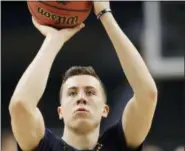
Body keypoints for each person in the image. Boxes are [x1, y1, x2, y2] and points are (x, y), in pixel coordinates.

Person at [9, 1, 158, 151]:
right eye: (72, 93)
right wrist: (53, 40)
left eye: (90, 92)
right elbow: (20, 105)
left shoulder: (118, 144)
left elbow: (147, 94)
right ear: (60, 111)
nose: (81, 98)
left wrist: (105, 15)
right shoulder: (47, 147)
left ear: (105, 110)